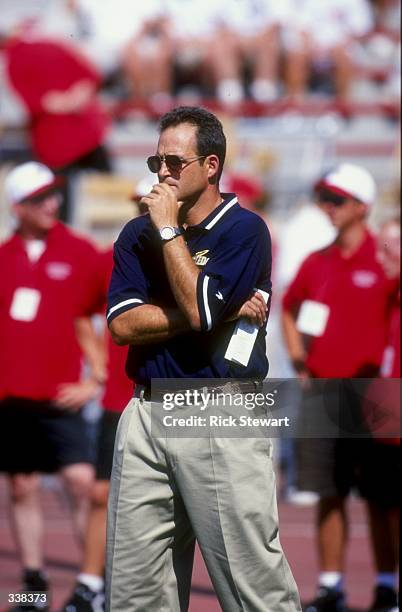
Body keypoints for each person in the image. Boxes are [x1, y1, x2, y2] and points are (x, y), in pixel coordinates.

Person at [105, 106, 301, 611]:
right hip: (145, 410)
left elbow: (197, 306)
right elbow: (123, 325)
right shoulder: (135, 234)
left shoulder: (244, 229)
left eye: (174, 161)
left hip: (217, 407)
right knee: (135, 589)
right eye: (156, 162)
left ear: (211, 166)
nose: (162, 173)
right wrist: (209, 312)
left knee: (250, 583)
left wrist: (170, 234)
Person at [281, 163, 397, 612]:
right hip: (324, 396)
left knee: (382, 498)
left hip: (378, 399)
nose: (327, 207)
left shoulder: (387, 258)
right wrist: (298, 361)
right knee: (329, 493)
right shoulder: (317, 261)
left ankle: (387, 584)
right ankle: (331, 585)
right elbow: (288, 310)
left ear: (362, 207)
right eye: (325, 199)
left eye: (337, 200)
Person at [0, 161, 105, 611]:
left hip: (62, 396)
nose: (52, 204)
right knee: (21, 486)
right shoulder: (3, 258)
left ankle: (94, 584)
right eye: (40, 198)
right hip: (12, 398)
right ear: (18, 207)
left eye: (54, 194)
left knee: (81, 483)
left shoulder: (81, 251)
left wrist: (95, 378)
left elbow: (115, 318)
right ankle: (33, 587)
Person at [359, 217, 400, 612]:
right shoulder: (382, 297)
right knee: (378, 503)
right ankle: (386, 585)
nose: (380, 256)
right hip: (379, 423)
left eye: (390, 247)